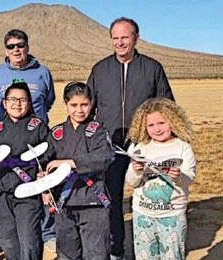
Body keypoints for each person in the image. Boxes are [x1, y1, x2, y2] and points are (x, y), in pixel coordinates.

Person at [86, 17, 175, 259]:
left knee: (149, 196)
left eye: (125, 37)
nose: (120, 42)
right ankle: (116, 249)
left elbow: (167, 106)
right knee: (111, 198)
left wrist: (165, 142)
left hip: (145, 144)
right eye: (115, 38)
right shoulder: (99, 70)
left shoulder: (152, 68)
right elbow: (88, 109)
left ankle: (149, 247)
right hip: (110, 143)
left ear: (136, 37)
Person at [0, 28, 57, 252]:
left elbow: (48, 101)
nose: (16, 49)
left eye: (20, 45)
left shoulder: (42, 72)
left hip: (33, 143)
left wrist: (31, 123)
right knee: (9, 235)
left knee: (30, 228)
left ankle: (46, 235)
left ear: (27, 46)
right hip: (5, 144)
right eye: (11, 46)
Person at [0, 82, 48, 260]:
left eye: (22, 100)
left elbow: (48, 154)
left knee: (29, 239)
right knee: (7, 239)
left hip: (28, 192)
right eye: (12, 99)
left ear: (29, 103)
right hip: (4, 191)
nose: (17, 104)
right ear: (4, 103)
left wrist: (42, 175)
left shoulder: (38, 126)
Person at [40, 82, 114, 259]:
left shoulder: (98, 130)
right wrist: (43, 184)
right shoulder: (56, 133)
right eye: (74, 105)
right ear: (66, 104)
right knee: (67, 254)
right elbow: (44, 162)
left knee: (96, 253)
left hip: (93, 201)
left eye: (84, 104)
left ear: (91, 103)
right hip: (63, 203)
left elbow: (105, 157)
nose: (79, 110)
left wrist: (70, 162)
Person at [124, 97, 196, 259]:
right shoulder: (141, 148)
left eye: (161, 123)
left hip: (172, 215)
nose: (156, 129)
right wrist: (136, 170)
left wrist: (179, 177)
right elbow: (132, 182)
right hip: (143, 214)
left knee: (172, 255)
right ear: (143, 127)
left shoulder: (183, 148)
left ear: (173, 121)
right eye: (151, 125)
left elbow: (189, 179)